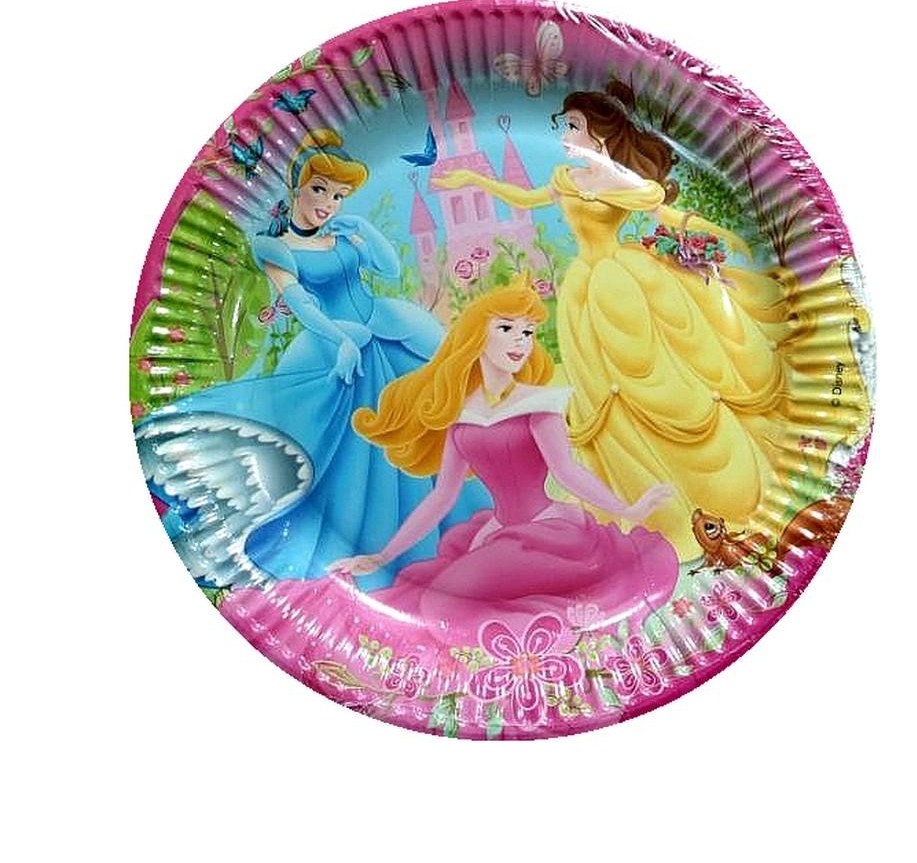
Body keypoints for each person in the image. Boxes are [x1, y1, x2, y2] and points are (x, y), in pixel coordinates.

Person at [433, 83, 823, 559]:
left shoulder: (626, 185)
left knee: (652, 376)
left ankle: (700, 485)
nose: (564, 135)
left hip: (623, 282)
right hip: (584, 290)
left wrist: (717, 238)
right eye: (563, 126)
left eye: (572, 126)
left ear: (598, 134)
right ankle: (633, 498)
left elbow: (670, 216)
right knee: (605, 390)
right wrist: (475, 181)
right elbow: (526, 197)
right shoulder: (566, 178)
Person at [219, 278, 679, 658]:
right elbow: (442, 498)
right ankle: (545, 623)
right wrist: (381, 557)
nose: (520, 341)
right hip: (498, 533)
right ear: (478, 335)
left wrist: (627, 508)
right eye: (507, 329)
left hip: (551, 533)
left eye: (527, 332)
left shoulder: (540, 405)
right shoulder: (461, 415)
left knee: (442, 602)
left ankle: (553, 631)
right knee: (430, 595)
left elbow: (567, 472)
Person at [136, 128, 488, 590]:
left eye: (338, 195)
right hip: (333, 341)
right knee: (351, 451)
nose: (328, 203)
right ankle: (373, 551)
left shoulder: (341, 237)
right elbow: (300, 303)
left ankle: (453, 541)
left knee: (429, 425)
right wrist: (340, 340)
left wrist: (363, 231)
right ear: (297, 185)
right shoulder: (275, 247)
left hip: (386, 330)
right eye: (320, 189)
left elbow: (389, 269)